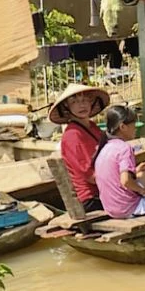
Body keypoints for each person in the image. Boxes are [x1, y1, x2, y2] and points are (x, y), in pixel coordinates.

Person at [48, 83, 110, 212]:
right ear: (67, 107)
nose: (81, 105)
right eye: (74, 102)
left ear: (91, 102)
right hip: (92, 198)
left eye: (85, 100)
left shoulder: (93, 127)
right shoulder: (72, 135)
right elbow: (91, 177)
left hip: (105, 187)